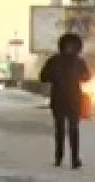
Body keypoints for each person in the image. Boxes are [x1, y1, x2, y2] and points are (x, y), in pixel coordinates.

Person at [38, 33, 91, 168]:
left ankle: (61, 158)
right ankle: (72, 159)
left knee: (62, 129)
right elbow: (87, 77)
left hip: (60, 98)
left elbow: (43, 77)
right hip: (72, 99)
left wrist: (55, 77)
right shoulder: (78, 62)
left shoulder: (54, 60)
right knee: (70, 129)